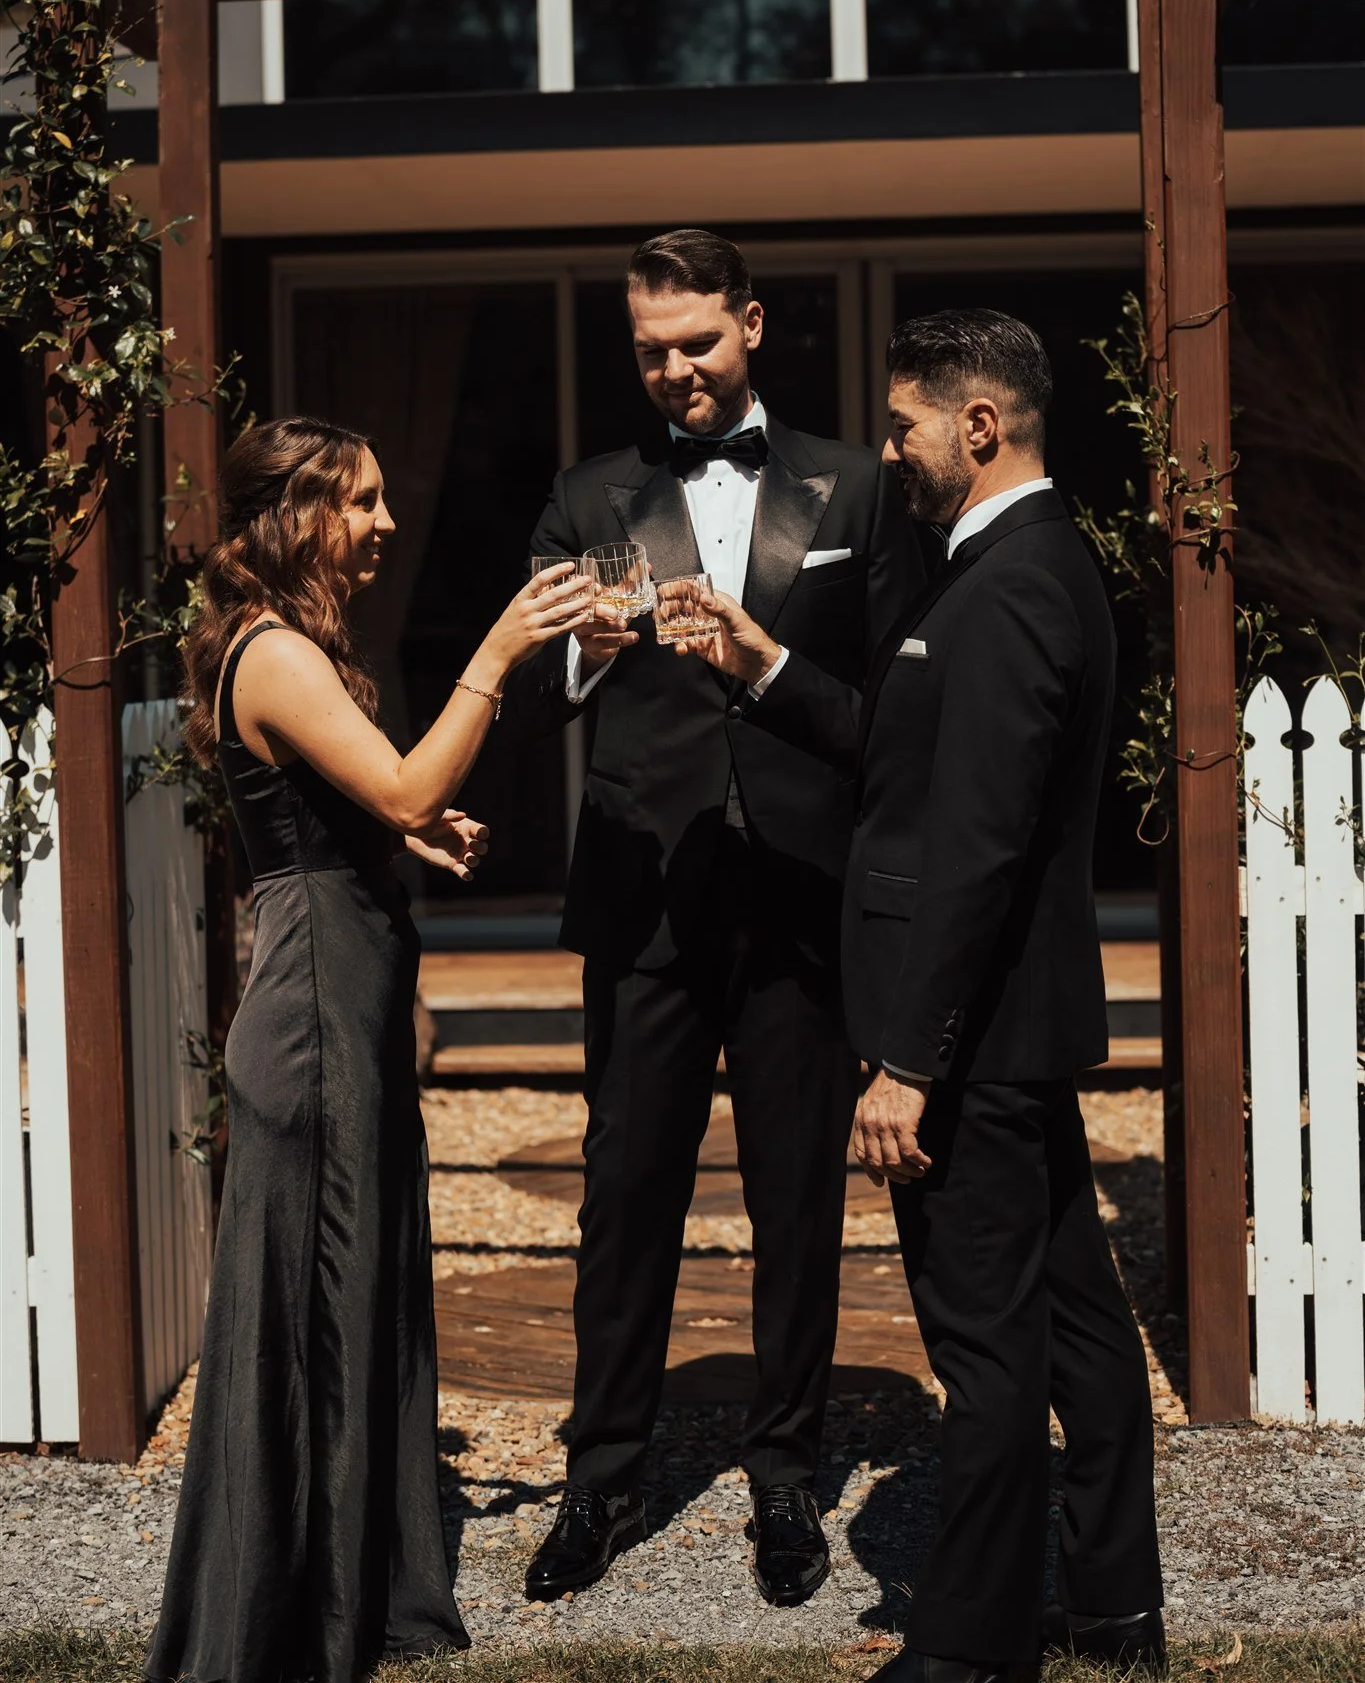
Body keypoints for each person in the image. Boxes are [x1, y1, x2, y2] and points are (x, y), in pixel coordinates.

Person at [677, 310, 1164, 1683]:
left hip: (970, 1041)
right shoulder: (1009, 568)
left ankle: (971, 1646)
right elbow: (902, 754)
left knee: (987, 1350)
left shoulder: (1012, 586)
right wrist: (763, 664)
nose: (886, 451)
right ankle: (1115, 1612)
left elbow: (977, 847)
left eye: (903, 427)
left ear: (979, 425)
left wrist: (907, 1061)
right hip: (1005, 1031)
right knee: (1079, 1324)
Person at [507, 229, 924, 1608]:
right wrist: (583, 654)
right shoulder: (591, 494)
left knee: (798, 1197)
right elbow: (527, 692)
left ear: (749, 323)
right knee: (626, 1196)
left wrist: (770, 660)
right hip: (645, 905)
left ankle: (787, 1469)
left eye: (696, 341)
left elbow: (889, 715)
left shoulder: (857, 485)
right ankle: (601, 1475)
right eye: (651, 350)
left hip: (801, 898)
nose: (676, 368)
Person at [148, 417, 592, 1683]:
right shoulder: (275, 650)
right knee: (313, 1298)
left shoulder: (297, 645)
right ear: (292, 513)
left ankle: (353, 1583)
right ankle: (284, 1615)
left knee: (353, 1288)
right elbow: (397, 783)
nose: (387, 521)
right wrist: (497, 653)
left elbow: (354, 807)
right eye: (362, 500)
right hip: (313, 1010)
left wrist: (409, 834)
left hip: (347, 989)